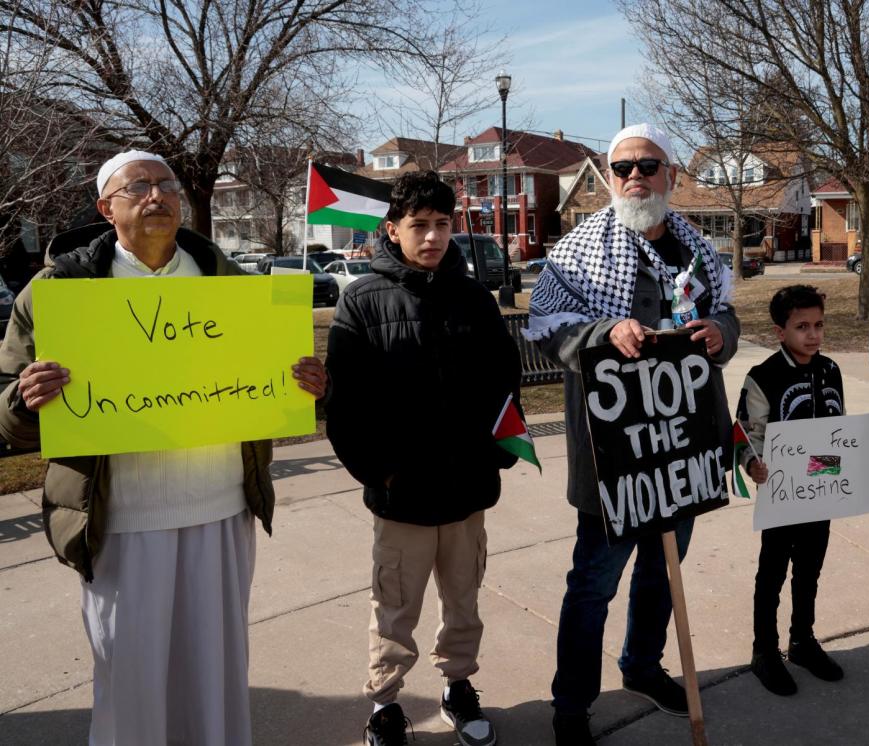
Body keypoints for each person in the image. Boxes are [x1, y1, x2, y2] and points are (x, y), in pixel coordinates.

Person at [0, 150, 328, 745]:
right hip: (119, 518)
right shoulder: (59, 291)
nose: (156, 196)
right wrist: (25, 400)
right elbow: (8, 417)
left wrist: (305, 384)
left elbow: (273, 384)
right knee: (130, 678)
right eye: (138, 187)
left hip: (221, 506)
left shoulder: (232, 286)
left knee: (217, 673)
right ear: (106, 208)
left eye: (166, 184)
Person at [526, 123, 740, 746]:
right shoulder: (577, 253)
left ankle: (642, 667)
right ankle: (572, 702)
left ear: (671, 176)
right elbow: (548, 325)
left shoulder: (698, 251)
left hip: (684, 444)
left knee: (662, 573)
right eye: (622, 168)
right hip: (612, 454)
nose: (635, 176)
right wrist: (603, 333)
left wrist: (720, 330)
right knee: (593, 582)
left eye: (648, 165)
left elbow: (724, 310)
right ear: (609, 179)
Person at [325, 171, 521, 746]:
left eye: (441, 224)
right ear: (393, 229)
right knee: (394, 607)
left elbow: (503, 381)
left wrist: (498, 454)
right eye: (419, 225)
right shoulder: (362, 299)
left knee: (463, 601)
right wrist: (377, 471)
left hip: (466, 491)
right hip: (401, 494)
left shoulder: (473, 298)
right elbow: (345, 403)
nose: (432, 237)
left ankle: (458, 685)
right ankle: (385, 702)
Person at [737, 284, 869, 695]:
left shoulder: (831, 371)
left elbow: (840, 432)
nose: (813, 334)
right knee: (771, 573)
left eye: (819, 325)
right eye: (801, 326)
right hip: (782, 493)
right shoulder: (763, 377)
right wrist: (751, 464)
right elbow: (743, 435)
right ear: (780, 331)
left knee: (810, 569)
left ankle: (802, 639)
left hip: (821, 491)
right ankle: (764, 651)